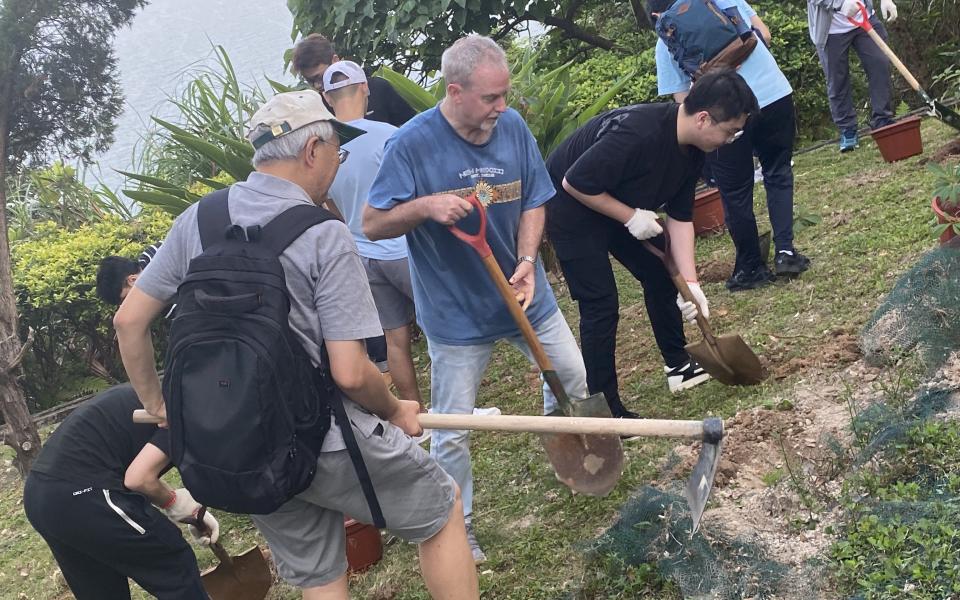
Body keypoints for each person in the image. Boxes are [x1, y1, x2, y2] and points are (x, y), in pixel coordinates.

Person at [112, 90, 479, 599]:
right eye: (337, 152)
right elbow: (350, 373)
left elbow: (129, 322)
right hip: (327, 438)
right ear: (312, 152)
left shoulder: (197, 220)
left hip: (248, 445)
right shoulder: (325, 233)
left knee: (320, 576)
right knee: (441, 512)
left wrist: (159, 405)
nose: (337, 163)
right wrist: (396, 411)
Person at [363, 35, 593, 564]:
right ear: (455, 91)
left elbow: (536, 197)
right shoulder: (412, 144)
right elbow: (372, 224)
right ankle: (458, 527)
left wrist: (529, 261)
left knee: (571, 378)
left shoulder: (510, 128)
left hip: (523, 293)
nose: (502, 108)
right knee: (452, 429)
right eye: (491, 98)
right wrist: (423, 206)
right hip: (455, 315)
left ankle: (560, 446)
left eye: (505, 95)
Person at [545, 70, 758, 406]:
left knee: (661, 274)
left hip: (614, 198)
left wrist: (691, 283)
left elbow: (681, 217)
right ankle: (607, 406)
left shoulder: (693, 151)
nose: (730, 140)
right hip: (570, 206)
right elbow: (575, 182)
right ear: (704, 118)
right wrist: (629, 217)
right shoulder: (636, 133)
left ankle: (678, 365)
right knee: (601, 303)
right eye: (730, 132)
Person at [651, 0, 811, 291]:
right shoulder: (719, 1)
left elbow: (682, 101)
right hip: (774, 94)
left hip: (724, 117)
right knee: (778, 172)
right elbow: (764, 33)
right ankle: (786, 252)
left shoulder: (666, 40)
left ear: (656, 14)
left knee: (735, 191)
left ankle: (751, 268)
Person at [23, 384, 217, 600]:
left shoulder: (155, 397)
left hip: (40, 496)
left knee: (102, 590)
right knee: (172, 561)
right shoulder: (181, 415)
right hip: (81, 493)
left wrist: (192, 511)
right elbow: (138, 479)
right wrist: (172, 501)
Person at [321, 60, 422, 408]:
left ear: (326, 99)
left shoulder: (325, 150)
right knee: (441, 326)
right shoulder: (388, 135)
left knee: (395, 339)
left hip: (362, 256)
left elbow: (330, 206)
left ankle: (415, 416)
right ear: (365, 88)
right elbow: (415, 194)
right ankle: (460, 409)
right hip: (403, 250)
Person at [807, 0, 897, 152]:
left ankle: (883, 120)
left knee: (880, 64)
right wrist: (839, 4)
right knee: (837, 80)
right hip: (830, 30)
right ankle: (847, 129)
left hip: (864, 17)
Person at [292, 33, 416, 128]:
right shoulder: (316, 111)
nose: (318, 85)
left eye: (320, 77)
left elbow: (410, 127)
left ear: (335, 60)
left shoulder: (378, 88)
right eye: (310, 81)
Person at [95, 242, 162, 305]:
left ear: (133, 280)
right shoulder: (153, 252)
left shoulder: (160, 255)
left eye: (126, 299)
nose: (130, 305)